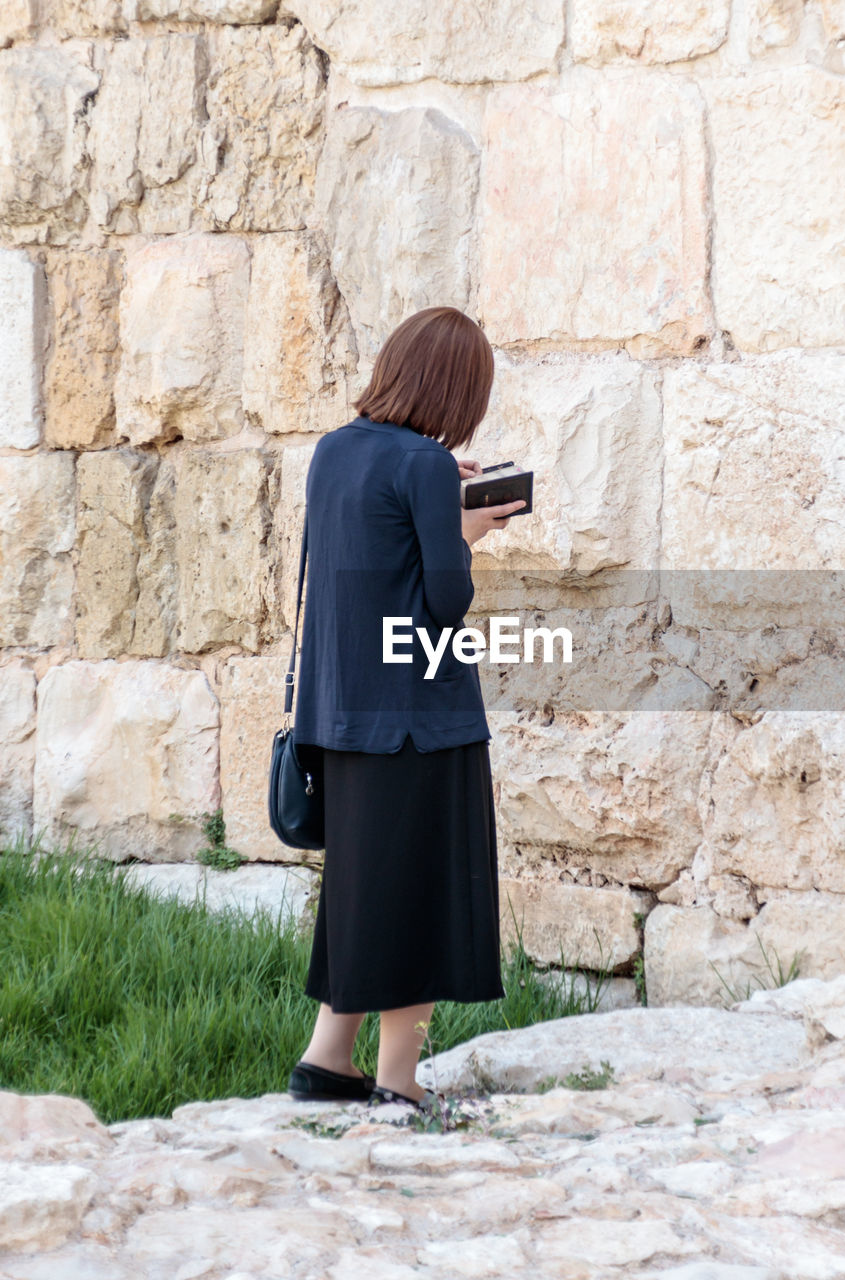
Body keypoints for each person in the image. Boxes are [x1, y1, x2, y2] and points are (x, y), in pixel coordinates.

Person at [285, 306, 526, 1112]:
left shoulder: (334, 450)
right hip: (420, 713)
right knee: (418, 891)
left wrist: (436, 504)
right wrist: (470, 529)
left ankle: (327, 1059)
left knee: (365, 887)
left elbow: (367, 555)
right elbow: (444, 599)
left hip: (344, 711)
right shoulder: (424, 463)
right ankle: (397, 1079)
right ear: (458, 393)